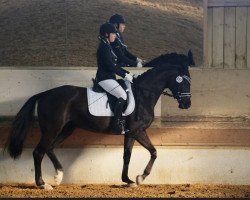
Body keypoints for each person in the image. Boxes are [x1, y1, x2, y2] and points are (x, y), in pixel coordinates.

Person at [95, 22, 134, 134]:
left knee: (123, 89)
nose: (115, 36)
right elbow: (111, 66)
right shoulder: (103, 47)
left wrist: (127, 73)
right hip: (104, 78)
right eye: (113, 34)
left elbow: (115, 65)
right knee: (122, 95)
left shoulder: (107, 45)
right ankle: (116, 125)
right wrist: (125, 75)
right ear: (107, 34)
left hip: (109, 77)